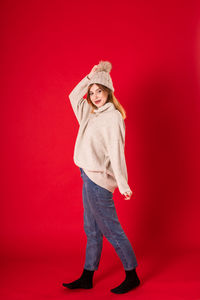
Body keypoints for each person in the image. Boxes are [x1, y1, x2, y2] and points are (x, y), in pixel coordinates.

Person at [62, 61, 141, 294]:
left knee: (111, 229)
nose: (95, 96)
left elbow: (117, 151)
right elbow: (72, 95)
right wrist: (90, 76)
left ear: (108, 91)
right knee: (92, 229)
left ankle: (132, 275)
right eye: (92, 92)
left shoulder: (113, 117)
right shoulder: (89, 113)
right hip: (87, 175)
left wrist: (123, 183)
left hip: (99, 182)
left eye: (100, 90)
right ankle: (87, 276)